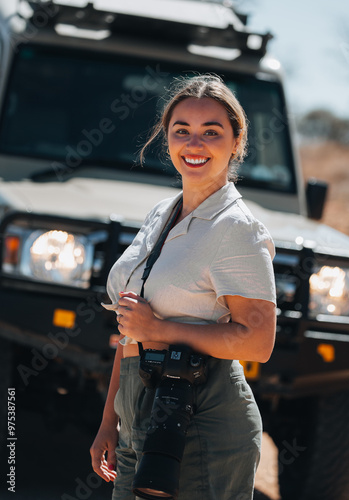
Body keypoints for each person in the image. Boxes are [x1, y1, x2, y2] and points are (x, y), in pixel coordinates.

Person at [90, 74, 276, 500]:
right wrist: (109, 420)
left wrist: (163, 330)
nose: (195, 144)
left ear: (236, 141)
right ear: (167, 139)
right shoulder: (162, 211)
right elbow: (131, 327)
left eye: (211, 132)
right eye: (182, 131)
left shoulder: (237, 229)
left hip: (203, 416)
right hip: (140, 407)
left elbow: (258, 342)